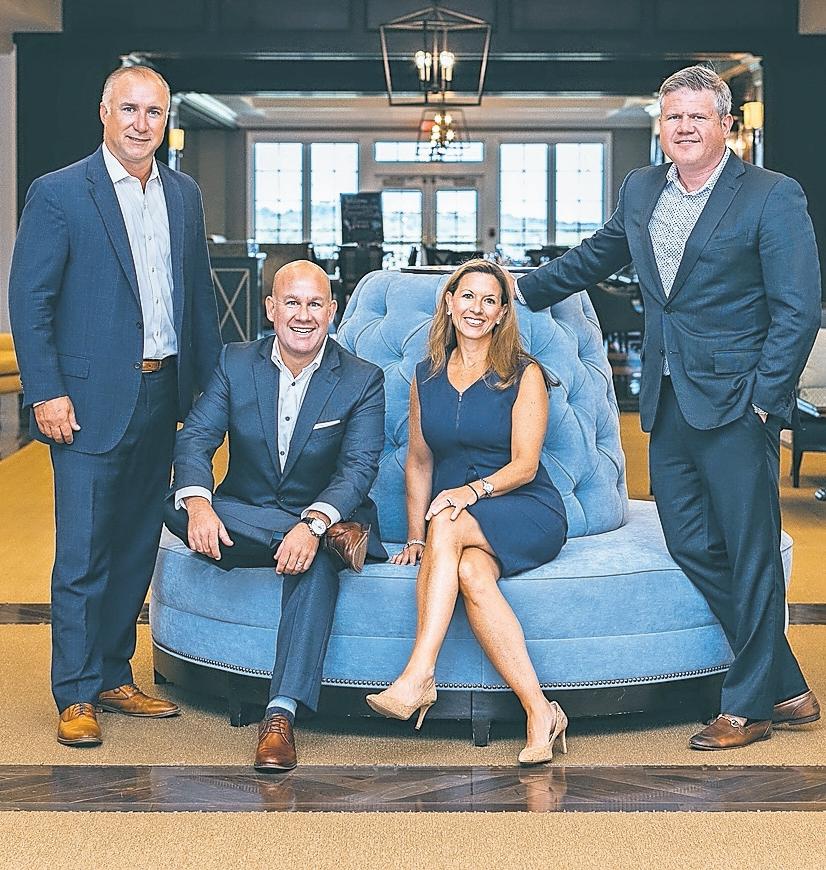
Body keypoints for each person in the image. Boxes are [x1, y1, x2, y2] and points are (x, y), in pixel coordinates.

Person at [513, 64, 821, 750]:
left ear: (726, 126)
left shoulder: (771, 195)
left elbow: (798, 309)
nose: (683, 127)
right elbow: (594, 256)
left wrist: (766, 402)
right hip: (668, 396)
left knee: (749, 551)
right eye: (672, 116)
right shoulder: (643, 188)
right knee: (689, 541)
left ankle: (750, 706)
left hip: (739, 403)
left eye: (697, 116)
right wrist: (512, 289)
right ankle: (788, 684)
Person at [8, 66, 222, 747]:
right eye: (128, 109)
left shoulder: (183, 195)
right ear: (104, 112)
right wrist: (46, 391)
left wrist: (212, 394)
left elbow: (197, 300)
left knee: (135, 547)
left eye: (153, 112)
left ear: (166, 120)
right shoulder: (60, 193)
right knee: (83, 553)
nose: (140, 123)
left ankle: (111, 674)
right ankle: (74, 692)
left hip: (163, 394)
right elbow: (30, 302)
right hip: (85, 402)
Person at [165, 260, 386, 772]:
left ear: (332, 311)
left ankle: (280, 715)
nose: (303, 315)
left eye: (315, 304)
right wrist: (199, 503)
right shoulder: (235, 362)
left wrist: (313, 523)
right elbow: (196, 438)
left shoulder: (361, 379)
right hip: (249, 514)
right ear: (271, 308)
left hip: (321, 512)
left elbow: (357, 470)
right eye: (292, 302)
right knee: (173, 504)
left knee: (314, 562)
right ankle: (326, 539)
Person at [366, 259, 569, 765]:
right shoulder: (425, 375)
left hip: (524, 508)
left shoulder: (524, 374)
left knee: (448, 520)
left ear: (502, 313)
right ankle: (541, 712)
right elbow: (419, 461)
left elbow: (525, 465)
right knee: (472, 573)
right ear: (449, 302)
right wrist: (415, 538)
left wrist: (470, 493)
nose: (477, 308)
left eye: (489, 300)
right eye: (468, 296)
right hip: (455, 518)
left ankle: (419, 674)